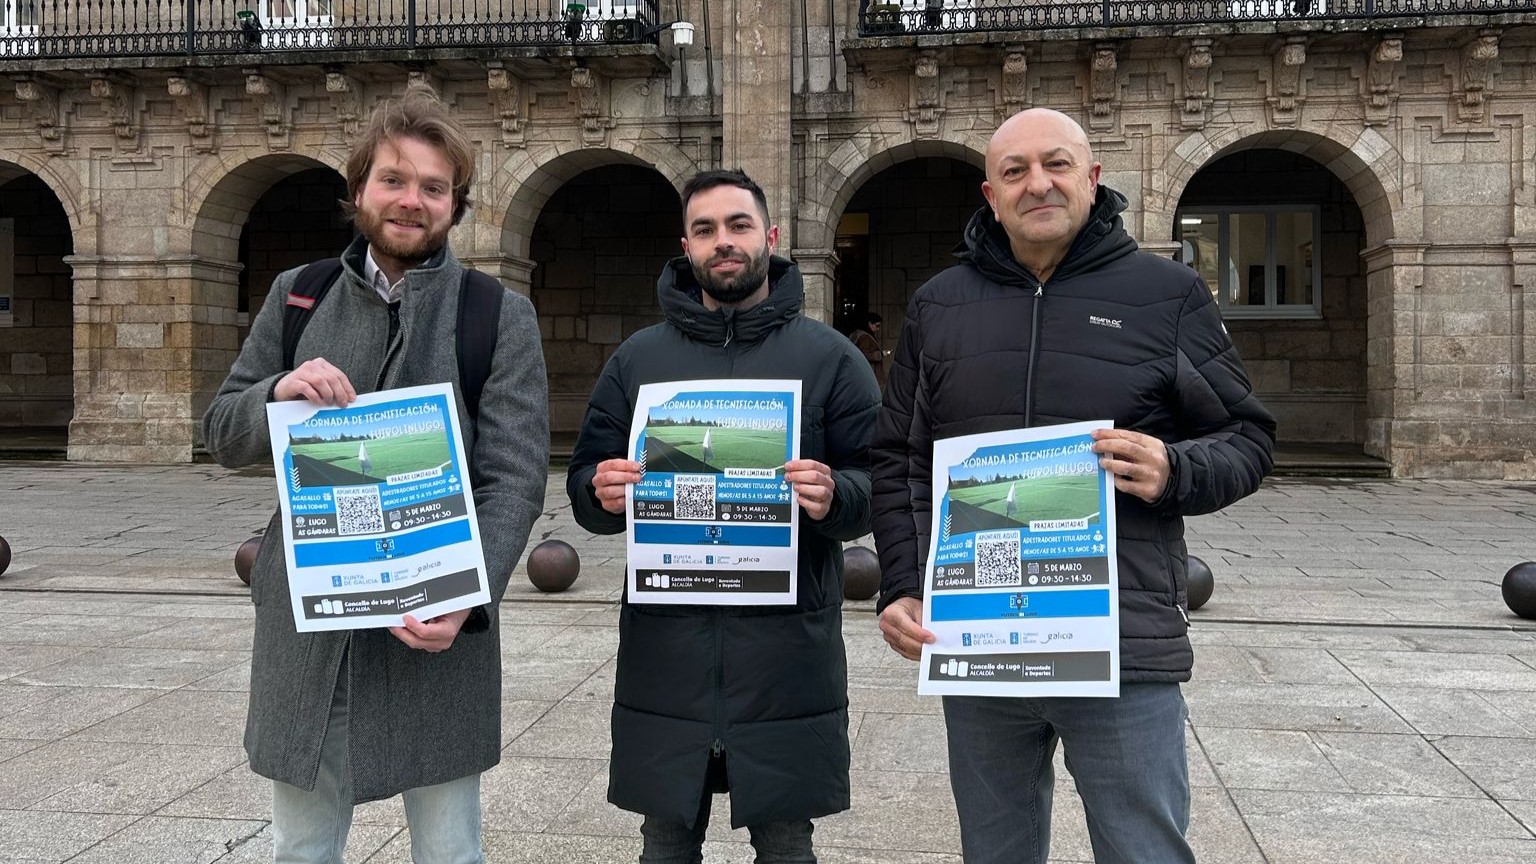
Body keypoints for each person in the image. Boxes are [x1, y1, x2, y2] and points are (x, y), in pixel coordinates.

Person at [870, 108, 1275, 864]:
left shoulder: (1169, 294)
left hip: (1123, 644)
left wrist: (1174, 468)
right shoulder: (939, 305)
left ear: (1091, 178)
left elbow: (1248, 438)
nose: (1038, 184)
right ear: (990, 195)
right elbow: (898, 457)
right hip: (982, 643)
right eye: (1015, 171)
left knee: (1142, 850)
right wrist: (900, 583)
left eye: (1056, 164)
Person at [201, 83, 549, 864]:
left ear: (454, 207)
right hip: (308, 629)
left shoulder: (497, 313)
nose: (410, 201)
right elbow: (222, 431)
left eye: (433, 188)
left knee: (449, 851)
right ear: (358, 189)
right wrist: (276, 394)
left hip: (435, 628)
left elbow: (516, 476)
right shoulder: (300, 294)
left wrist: (468, 597)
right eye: (393, 180)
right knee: (301, 847)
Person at [565, 169, 881, 863]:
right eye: (705, 230)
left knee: (786, 844)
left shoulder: (830, 359)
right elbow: (584, 481)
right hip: (666, 653)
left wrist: (836, 496)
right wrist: (600, 490)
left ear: (769, 237)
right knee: (665, 844)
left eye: (738, 226)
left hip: (786, 656)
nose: (723, 243)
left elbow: (877, 479)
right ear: (687, 246)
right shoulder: (637, 360)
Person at [848, 311, 887, 390]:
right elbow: (865, 355)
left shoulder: (862, 335)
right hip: (870, 375)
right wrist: (881, 354)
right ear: (870, 324)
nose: (878, 329)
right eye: (877, 326)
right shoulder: (865, 337)